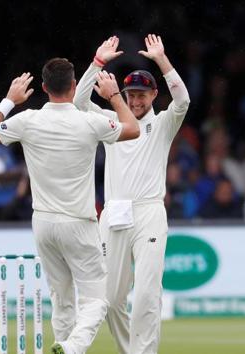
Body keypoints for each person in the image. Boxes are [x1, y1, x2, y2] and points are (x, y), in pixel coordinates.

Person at [0, 37, 140, 354]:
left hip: (44, 224)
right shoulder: (89, 121)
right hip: (78, 222)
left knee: (61, 299)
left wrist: (9, 100)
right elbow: (131, 129)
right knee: (97, 299)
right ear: (75, 84)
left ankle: (63, 345)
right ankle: (74, 347)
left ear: (44, 86)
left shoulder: (28, 120)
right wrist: (114, 95)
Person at [74, 34, 190, 354]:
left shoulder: (164, 123)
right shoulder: (112, 121)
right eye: (131, 95)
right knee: (109, 301)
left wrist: (162, 61)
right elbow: (79, 104)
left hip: (149, 212)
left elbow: (183, 101)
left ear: (153, 94)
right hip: (113, 213)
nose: (136, 101)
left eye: (142, 95)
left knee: (146, 295)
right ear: (123, 95)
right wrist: (97, 63)